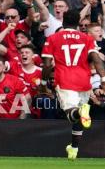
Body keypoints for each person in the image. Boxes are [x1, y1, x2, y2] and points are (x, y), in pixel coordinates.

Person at [42, 10, 105, 160]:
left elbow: (46, 64)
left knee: (72, 114)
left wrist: (43, 83)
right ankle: (74, 148)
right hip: (84, 81)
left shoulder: (53, 38)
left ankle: (81, 112)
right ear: (78, 23)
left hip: (65, 80)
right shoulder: (87, 38)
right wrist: (103, 80)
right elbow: (96, 59)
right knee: (80, 118)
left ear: (63, 21)